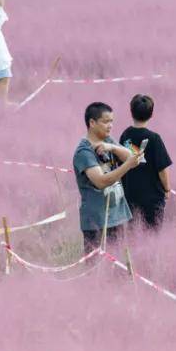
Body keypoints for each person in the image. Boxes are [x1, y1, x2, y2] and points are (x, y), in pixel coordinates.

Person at [73, 102, 140, 252]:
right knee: (97, 268)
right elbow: (101, 181)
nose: (110, 125)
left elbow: (130, 156)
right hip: (97, 222)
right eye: (105, 121)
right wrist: (127, 165)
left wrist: (113, 147)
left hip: (118, 216)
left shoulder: (108, 140)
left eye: (111, 121)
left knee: (119, 267)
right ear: (92, 123)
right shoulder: (84, 152)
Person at [121, 94, 173, 229]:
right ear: (151, 114)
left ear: (131, 112)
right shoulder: (154, 139)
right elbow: (162, 169)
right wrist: (167, 188)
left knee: (133, 235)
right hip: (152, 199)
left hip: (130, 196)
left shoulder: (125, 136)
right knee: (152, 236)